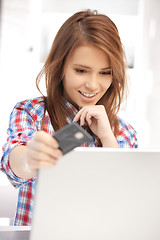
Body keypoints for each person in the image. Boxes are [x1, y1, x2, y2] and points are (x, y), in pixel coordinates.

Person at [1, 9, 138, 226]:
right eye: (82, 70)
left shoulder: (124, 132)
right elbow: (14, 164)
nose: (93, 85)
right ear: (60, 65)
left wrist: (108, 139)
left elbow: (123, 202)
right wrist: (31, 158)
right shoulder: (31, 113)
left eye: (105, 72)